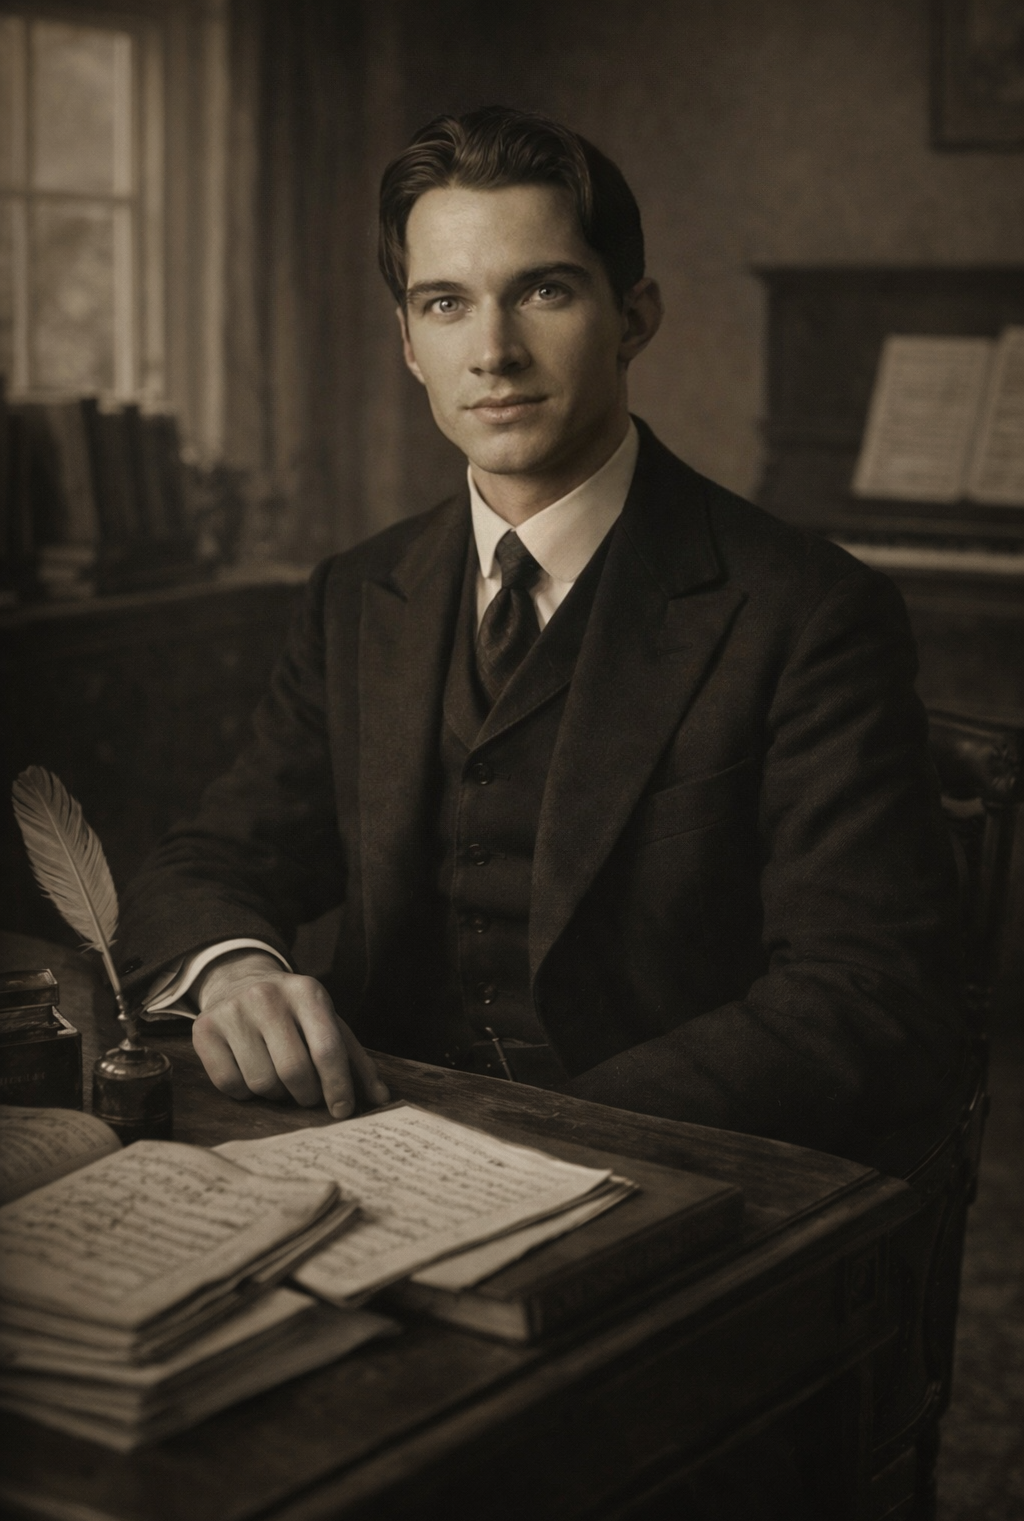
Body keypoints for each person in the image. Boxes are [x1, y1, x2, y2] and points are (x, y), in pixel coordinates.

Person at [120, 106, 968, 1176]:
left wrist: (535, 1143)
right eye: (445, 303)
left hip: (654, 1171)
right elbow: (213, 858)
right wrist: (237, 972)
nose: (493, 352)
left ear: (634, 315)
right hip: (355, 1149)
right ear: (407, 343)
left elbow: (864, 993)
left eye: (544, 290)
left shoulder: (806, 609)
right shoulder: (356, 593)